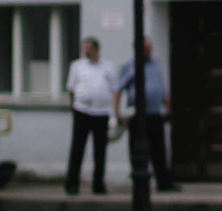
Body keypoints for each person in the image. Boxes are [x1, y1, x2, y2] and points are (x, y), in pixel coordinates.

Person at [115, 35, 179, 193]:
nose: (148, 51)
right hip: (137, 115)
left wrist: (167, 106)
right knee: (137, 149)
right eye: (145, 49)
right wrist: (117, 112)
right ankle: (139, 181)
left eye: (150, 48)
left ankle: (164, 182)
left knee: (159, 148)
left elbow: (161, 88)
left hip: (155, 113)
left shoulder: (156, 64)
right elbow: (118, 89)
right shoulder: (129, 66)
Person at [63, 36, 116, 195]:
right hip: (82, 110)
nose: (86, 52)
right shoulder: (77, 66)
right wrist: (72, 107)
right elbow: (70, 89)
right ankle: (72, 183)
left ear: (96, 50)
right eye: (84, 48)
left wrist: (113, 113)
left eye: (89, 48)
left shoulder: (108, 67)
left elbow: (114, 89)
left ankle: (98, 184)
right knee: (77, 148)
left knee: (100, 150)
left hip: (101, 112)